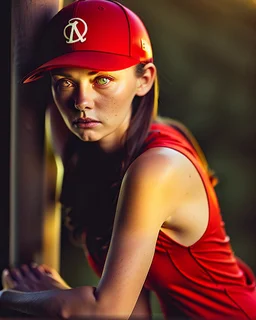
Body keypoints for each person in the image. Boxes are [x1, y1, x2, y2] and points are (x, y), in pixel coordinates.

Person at [1, 0, 256, 319]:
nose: (81, 102)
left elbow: (107, 311)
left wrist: (9, 298)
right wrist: (67, 300)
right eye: (65, 81)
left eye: (101, 79)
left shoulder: (157, 168)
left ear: (144, 79)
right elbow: (131, 313)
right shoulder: (83, 147)